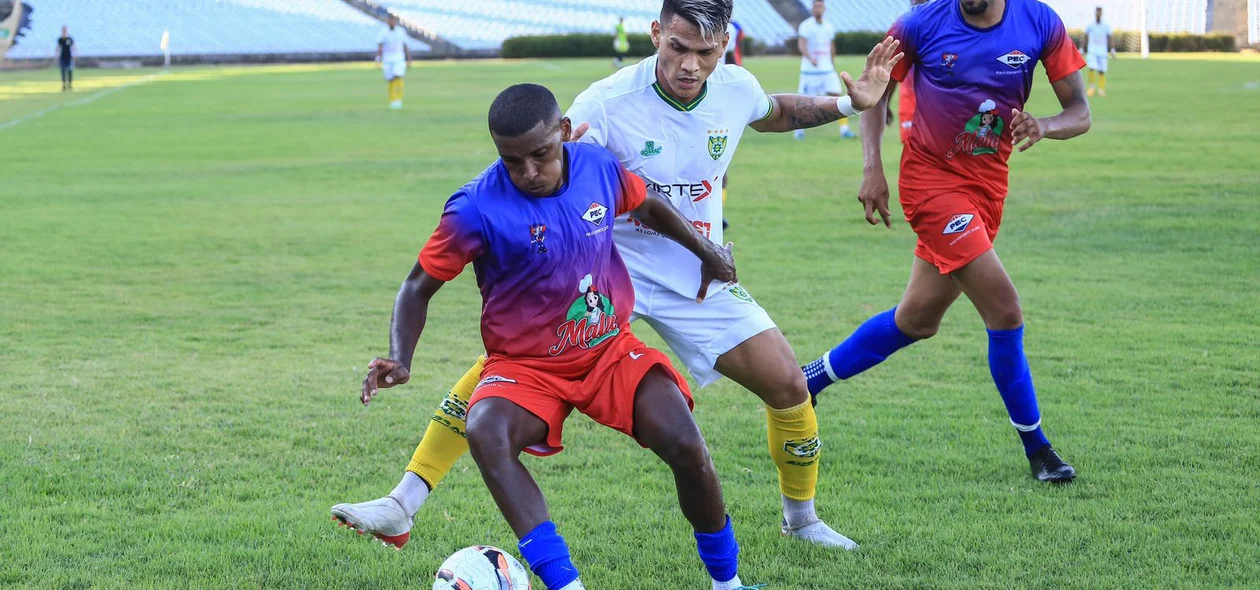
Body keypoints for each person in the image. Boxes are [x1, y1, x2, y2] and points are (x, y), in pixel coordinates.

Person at [333, 0, 903, 552]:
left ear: (724, 45)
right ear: (656, 33)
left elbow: (772, 113)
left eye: (704, 52)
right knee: (506, 369)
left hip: (694, 267)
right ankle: (404, 501)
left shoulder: (734, 86)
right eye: (677, 47)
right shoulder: (605, 102)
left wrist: (847, 105)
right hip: (603, 266)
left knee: (787, 384)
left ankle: (801, 521)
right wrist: (482, 215)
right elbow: (538, 155)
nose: (689, 64)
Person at [356, 82, 758, 590]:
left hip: (609, 349)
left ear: (564, 133)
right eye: (512, 161)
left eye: (541, 155)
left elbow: (648, 203)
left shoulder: (597, 168)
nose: (528, 173)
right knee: (486, 429)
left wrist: (707, 249)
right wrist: (401, 356)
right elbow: (417, 286)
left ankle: (728, 583)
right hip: (526, 367)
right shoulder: (473, 208)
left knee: (687, 444)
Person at [801, 0, 1091, 484]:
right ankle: (1039, 450)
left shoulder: (1040, 22)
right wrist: (872, 167)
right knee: (1005, 310)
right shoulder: (918, 24)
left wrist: (1045, 125)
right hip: (931, 187)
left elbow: (1079, 112)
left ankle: (809, 380)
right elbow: (874, 96)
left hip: (988, 189)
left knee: (916, 320)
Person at [794, 1, 852, 139]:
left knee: (838, 96)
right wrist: (809, 58)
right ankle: (798, 131)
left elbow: (831, 46)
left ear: (824, 9)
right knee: (803, 102)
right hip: (810, 71)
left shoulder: (828, 26)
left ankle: (844, 130)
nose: (817, 9)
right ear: (812, 9)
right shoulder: (806, 26)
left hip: (827, 70)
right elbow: (802, 44)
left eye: (819, 6)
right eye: (815, 6)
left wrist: (832, 62)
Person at [377, 14, 412, 110]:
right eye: (390, 20)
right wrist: (378, 59)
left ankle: (399, 100)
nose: (391, 22)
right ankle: (392, 100)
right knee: (391, 79)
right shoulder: (383, 31)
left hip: (398, 58)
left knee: (398, 76)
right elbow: (380, 45)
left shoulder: (401, 31)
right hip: (387, 58)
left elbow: (405, 45)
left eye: (393, 20)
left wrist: (409, 59)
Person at [1084, 6, 1113, 97]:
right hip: (1092, 50)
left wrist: (1112, 49)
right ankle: (1092, 88)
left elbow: (1110, 38)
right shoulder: (1090, 25)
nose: (1098, 14)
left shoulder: (1106, 26)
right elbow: (1085, 36)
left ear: (1101, 14)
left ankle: (1101, 89)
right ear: (1095, 13)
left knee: (1101, 71)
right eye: (1097, 12)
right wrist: (1082, 48)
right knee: (1091, 68)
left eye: (1100, 12)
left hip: (1102, 51)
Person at [55, 25, 74, 92]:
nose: (64, 32)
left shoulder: (70, 39)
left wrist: (75, 54)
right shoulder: (60, 39)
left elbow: (73, 47)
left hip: (69, 57)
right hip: (62, 57)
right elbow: (58, 48)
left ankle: (70, 84)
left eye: (65, 31)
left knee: (69, 71)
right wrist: (56, 55)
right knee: (63, 71)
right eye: (63, 31)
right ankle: (63, 85)